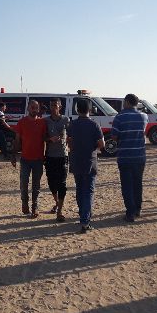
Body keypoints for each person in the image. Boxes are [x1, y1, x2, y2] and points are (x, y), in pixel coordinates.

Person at [67, 98, 105, 233]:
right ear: (90, 109)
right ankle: (85, 220)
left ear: (77, 110)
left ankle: (82, 214)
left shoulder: (72, 124)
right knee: (88, 191)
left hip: (76, 160)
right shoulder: (94, 125)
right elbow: (102, 144)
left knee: (80, 189)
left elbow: (69, 142)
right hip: (90, 161)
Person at [111, 94, 148, 222]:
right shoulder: (144, 116)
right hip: (140, 155)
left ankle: (130, 212)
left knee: (127, 185)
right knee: (138, 183)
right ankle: (138, 209)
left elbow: (114, 136)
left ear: (126, 102)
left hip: (125, 156)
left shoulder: (119, 117)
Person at [12, 100, 47, 217]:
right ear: (28, 108)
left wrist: (45, 156)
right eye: (32, 107)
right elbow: (17, 140)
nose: (34, 109)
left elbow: (45, 140)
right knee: (24, 183)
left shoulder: (42, 122)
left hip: (38, 159)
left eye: (36, 107)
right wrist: (13, 155)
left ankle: (35, 206)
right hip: (25, 159)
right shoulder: (22, 122)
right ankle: (24, 203)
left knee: (36, 185)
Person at [44, 98, 69, 222]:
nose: (54, 107)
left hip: (62, 156)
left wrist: (66, 141)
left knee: (62, 184)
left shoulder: (66, 120)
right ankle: (57, 203)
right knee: (51, 183)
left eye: (56, 105)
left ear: (60, 107)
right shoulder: (46, 121)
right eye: (52, 105)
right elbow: (42, 137)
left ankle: (59, 211)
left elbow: (71, 135)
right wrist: (49, 139)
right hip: (50, 156)